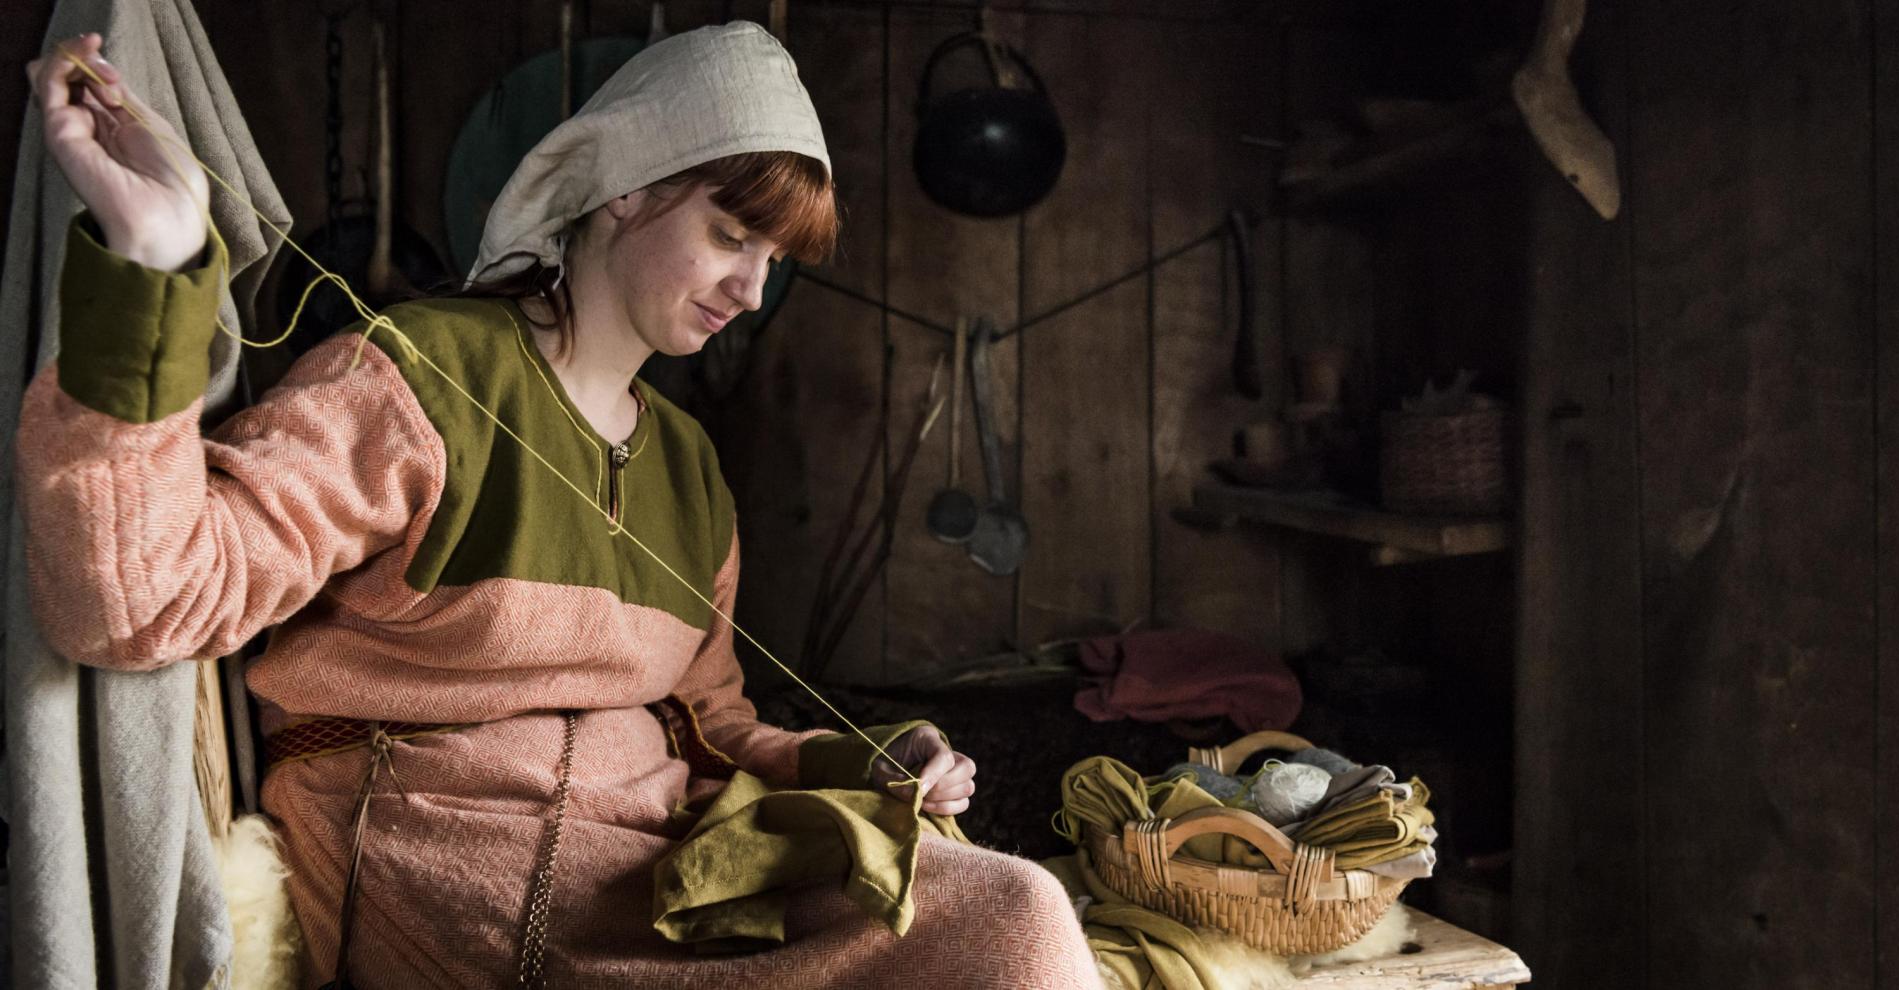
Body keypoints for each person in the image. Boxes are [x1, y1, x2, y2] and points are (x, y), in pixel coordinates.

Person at [21, 24, 1102, 989]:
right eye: (733, 235)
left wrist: (871, 762)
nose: (751, 291)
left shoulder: (688, 467)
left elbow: (714, 723)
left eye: (773, 261)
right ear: (624, 188)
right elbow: (146, 596)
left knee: (1014, 912)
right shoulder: (419, 380)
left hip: (663, 866)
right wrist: (155, 260)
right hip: (455, 879)